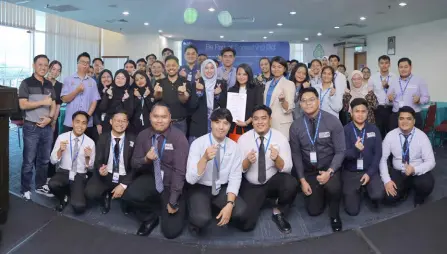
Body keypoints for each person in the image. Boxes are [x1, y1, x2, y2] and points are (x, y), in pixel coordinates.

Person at [121, 102, 188, 239]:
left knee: (171, 232)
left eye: (163, 117)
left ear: (170, 118)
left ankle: (170, 204)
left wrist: (173, 200)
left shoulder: (179, 138)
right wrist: (146, 159)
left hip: (171, 183)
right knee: (129, 196)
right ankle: (150, 217)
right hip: (152, 178)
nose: (159, 120)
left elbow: (180, 171)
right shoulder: (143, 135)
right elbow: (134, 163)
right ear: (150, 117)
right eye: (156, 116)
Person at [289, 87, 345, 232]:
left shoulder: (332, 121)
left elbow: (340, 151)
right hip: (310, 171)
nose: (308, 103)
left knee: (333, 187)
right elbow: (296, 154)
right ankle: (320, 192)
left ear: (318, 101)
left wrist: (330, 172)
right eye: (304, 101)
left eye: (311, 99)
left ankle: (334, 214)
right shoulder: (296, 126)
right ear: (300, 104)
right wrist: (302, 180)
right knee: (314, 211)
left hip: (329, 167)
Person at [237, 105, 298, 233]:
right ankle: (262, 200)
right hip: (252, 185)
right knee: (246, 224)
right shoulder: (243, 140)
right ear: (252, 121)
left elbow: (288, 168)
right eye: (256, 119)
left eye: (264, 118)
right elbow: (238, 169)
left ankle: (278, 211)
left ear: (270, 119)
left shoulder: (280, 137)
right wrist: (247, 161)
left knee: (290, 183)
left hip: (272, 181)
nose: (260, 122)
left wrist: (277, 159)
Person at [186, 108, 247, 234]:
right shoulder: (198, 144)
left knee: (241, 212)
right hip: (200, 187)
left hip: (220, 187)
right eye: (217, 122)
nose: (221, 127)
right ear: (211, 123)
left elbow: (235, 177)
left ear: (230, 126)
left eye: (225, 123)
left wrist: (230, 204)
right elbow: (190, 179)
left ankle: (217, 206)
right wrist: (204, 159)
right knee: (201, 219)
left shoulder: (234, 147)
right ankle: (197, 213)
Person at [18, 54, 57, 200]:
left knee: (44, 160)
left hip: (46, 127)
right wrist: (42, 103)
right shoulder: (26, 83)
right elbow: (23, 104)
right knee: (29, 160)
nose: (43, 67)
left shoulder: (48, 84)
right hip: (31, 127)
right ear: (34, 65)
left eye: (46, 65)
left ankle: (40, 185)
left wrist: (50, 118)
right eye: (40, 64)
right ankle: (25, 188)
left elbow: (52, 104)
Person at [380, 106, 435, 207]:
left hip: (416, 171)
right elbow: (382, 159)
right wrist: (387, 181)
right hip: (398, 171)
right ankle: (404, 190)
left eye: (408, 119)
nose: (404, 121)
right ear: (398, 120)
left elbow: (431, 161)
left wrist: (414, 169)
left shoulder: (421, 136)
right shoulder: (390, 136)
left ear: (414, 121)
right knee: (388, 198)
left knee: (427, 184)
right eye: (401, 118)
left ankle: (419, 197)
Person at [85, 111, 136, 214]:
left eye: (124, 121)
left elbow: (136, 166)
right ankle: (105, 195)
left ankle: (126, 200)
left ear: (127, 123)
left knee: (136, 194)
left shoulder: (134, 139)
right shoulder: (103, 137)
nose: (120, 123)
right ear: (111, 121)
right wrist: (100, 168)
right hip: (107, 174)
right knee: (90, 192)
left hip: (124, 176)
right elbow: (98, 159)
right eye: (117, 120)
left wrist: (123, 184)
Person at [342, 98, 384, 216]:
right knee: (352, 211)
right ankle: (358, 190)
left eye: (363, 111)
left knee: (378, 195)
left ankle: (367, 188)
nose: (360, 114)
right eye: (357, 111)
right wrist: (355, 150)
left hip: (369, 170)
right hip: (351, 172)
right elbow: (343, 154)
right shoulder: (345, 130)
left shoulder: (374, 129)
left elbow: (378, 154)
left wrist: (370, 173)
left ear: (367, 112)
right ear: (351, 112)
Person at [49, 111, 95, 213]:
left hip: (79, 174)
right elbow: (52, 161)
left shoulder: (90, 142)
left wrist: (87, 158)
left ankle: (75, 192)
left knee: (79, 207)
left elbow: (91, 168)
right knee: (52, 184)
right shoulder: (62, 137)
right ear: (72, 123)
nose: (80, 126)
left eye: (84, 123)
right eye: (77, 122)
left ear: (86, 125)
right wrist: (60, 151)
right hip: (64, 172)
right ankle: (63, 197)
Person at [61, 52, 100, 139]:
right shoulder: (68, 80)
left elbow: (94, 101)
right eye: (83, 62)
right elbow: (64, 99)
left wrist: (87, 116)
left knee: (85, 149)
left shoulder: (92, 82)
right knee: (67, 148)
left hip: (86, 123)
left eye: (87, 63)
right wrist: (77, 91)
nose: (85, 65)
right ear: (77, 63)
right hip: (70, 122)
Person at [189, 59, 227, 143]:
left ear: (215, 69)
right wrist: (199, 92)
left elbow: (225, 106)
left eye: (212, 68)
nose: (209, 71)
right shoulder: (196, 83)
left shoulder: (221, 84)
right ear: (202, 69)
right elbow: (192, 106)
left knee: (216, 153)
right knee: (198, 153)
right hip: (199, 124)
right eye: (206, 68)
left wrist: (218, 95)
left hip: (216, 123)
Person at [387, 58, 430, 130]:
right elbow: (387, 100)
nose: (403, 69)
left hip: (413, 115)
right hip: (396, 115)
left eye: (406, 67)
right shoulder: (394, 82)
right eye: (401, 67)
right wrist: (389, 99)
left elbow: (426, 98)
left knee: (414, 139)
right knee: (395, 139)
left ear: (411, 67)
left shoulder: (419, 80)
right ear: (398, 68)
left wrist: (419, 100)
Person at [153, 55, 191, 134]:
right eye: (168, 66)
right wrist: (158, 92)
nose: (171, 68)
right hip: (163, 122)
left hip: (180, 123)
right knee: (162, 146)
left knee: (180, 146)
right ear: (165, 68)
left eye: (173, 65)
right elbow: (156, 98)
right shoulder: (159, 82)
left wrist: (181, 93)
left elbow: (185, 100)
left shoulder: (185, 82)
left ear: (178, 67)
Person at [228, 64, 264, 137]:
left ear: (249, 75)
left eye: (244, 74)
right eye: (239, 74)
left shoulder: (256, 89)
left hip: (250, 127)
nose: (241, 77)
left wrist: (246, 123)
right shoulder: (231, 90)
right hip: (234, 127)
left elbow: (258, 109)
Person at [264, 56, 295, 140]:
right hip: (267, 122)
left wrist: (282, 101)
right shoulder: (268, 84)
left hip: (281, 124)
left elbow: (289, 108)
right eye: (273, 67)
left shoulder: (289, 84)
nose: (276, 69)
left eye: (279, 67)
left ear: (284, 69)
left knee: (282, 150)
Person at [368, 55, 396, 138]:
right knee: (379, 133)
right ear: (378, 64)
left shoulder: (394, 77)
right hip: (378, 109)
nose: (384, 65)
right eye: (382, 63)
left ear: (389, 64)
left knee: (391, 133)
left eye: (386, 63)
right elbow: (370, 94)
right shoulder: (373, 78)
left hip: (391, 109)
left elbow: (397, 93)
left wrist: (387, 87)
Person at [46, 60, 64, 186]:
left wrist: (53, 122)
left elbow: (58, 105)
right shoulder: (41, 82)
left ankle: (50, 175)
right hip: (39, 118)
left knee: (51, 147)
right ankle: (40, 174)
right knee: (38, 149)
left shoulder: (59, 85)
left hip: (52, 120)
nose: (55, 72)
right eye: (53, 69)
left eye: (58, 70)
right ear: (49, 69)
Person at [93, 69, 114, 139]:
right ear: (100, 79)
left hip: (113, 123)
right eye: (103, 77)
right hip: (99, 123)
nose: (106, 79)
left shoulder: (116, 90)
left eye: (108, 77)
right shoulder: (96, 90)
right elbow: (94, 109)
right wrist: (98, 124)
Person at [328, 55, 348, 124]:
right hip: (329, 103)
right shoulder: (325, 75)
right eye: (331, 61)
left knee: (341, 124)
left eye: (335, 61)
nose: (333, 63)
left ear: (338, 63)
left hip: (340, 103)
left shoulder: (342, 76)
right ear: (329, 62)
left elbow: (344, 89)